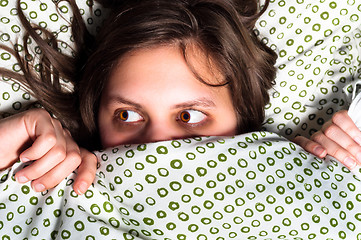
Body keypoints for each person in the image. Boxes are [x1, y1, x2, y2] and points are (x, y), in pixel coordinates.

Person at [0, 0, 277, 193]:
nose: (155, 144)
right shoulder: (56, 187)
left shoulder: (295, 178)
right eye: (127, 115)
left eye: (189, 116)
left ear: (244, 122)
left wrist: (319, 166)